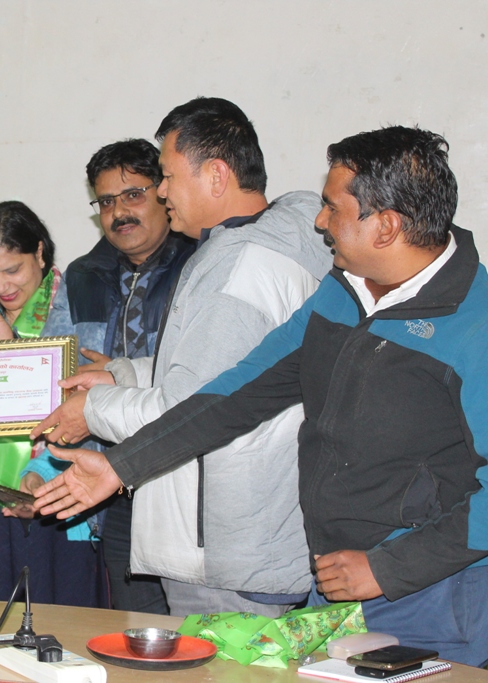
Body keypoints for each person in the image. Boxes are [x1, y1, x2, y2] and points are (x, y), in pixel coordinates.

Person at [34, 126, 488, 666]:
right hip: (333, 584)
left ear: (385, 226)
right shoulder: (341, 293)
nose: (319, 222)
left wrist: (388, 568)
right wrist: (121, 466)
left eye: (333, 208)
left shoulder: (475, 327)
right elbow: (235, 394)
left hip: (436, 593)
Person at [32, 97, 331, 617]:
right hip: (248, 524)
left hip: (222, 545)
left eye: (167, 177)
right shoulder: (265, 246)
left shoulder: (239, 271)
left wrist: (93, 410)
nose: (163, 190)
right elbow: (233, 372)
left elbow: (192, 406)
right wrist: (120, 374)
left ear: (215, 175)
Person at [39, 139, 194, 613]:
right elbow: (55, 375)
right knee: (138, 629)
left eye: (133, 195)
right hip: (113, 487)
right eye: (106, 201)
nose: (119, 212)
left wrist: (120, 375)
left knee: (196, 629)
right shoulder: (83, 276)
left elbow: (203, 376)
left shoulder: (200, 263)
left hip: (183, 478)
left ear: (163, 192)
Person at [0, 200, 107, 607]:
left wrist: (10, 351)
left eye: (13, 270)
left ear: (40, 253)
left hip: (55, 494)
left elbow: (92, 400)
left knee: (56, 623)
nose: (1, 286)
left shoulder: (78, 304)